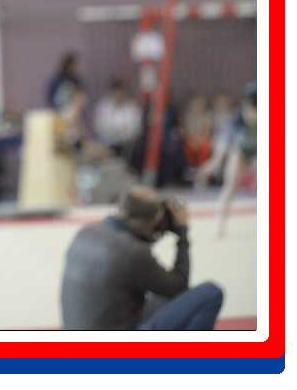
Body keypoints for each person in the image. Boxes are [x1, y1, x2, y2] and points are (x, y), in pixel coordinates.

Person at [60, 185, 224, 330]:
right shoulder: (134, 253)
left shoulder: (86, 232)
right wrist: (182, 233)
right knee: (211, 293)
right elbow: (179, 286)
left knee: (160, 294)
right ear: (152, 221)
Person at [196, 82, 257, 238]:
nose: (251, 114)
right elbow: (224, 144)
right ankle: (220, 224)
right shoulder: (237, 118)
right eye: (249, 109)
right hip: (241, 151)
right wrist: (214, 163)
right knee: (230, 185)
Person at [93, 78, 142, 161]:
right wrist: (117, 131)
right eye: (116, 92)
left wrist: (119, 132)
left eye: (121, 92)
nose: (119, 95)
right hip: (105, 144)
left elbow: (135, 130)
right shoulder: (104, 106)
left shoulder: (132, 108)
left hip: (124, 147)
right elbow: (99, 126)